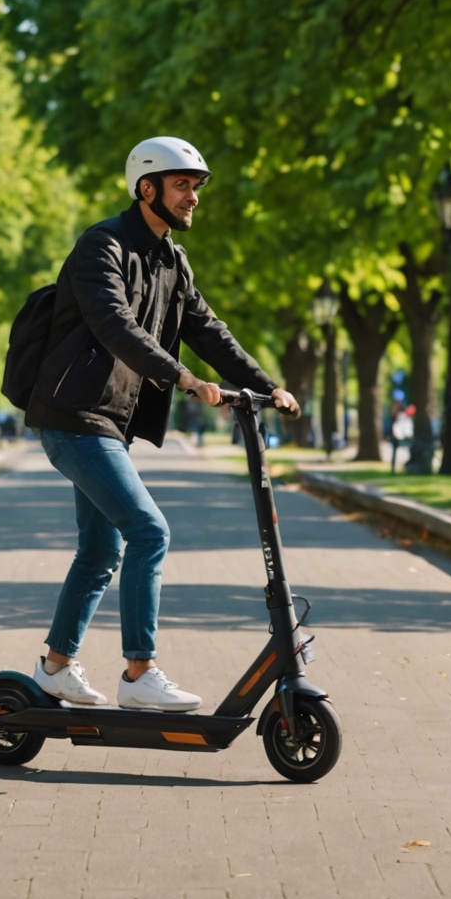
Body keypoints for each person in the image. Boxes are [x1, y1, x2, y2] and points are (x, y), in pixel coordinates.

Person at [26, 136, 299, 712]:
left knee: (100, 552)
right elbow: (115, 325)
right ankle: (139, 672)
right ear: (146, 187)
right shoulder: (102, 245)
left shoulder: (172, 260)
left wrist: (266, 383)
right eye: (182, 185)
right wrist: (186, 379)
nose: (193, 198)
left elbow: (208, 329)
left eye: (196, 188)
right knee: (149, 532)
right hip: (72, 416)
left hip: (107, 423)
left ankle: (55, 666)